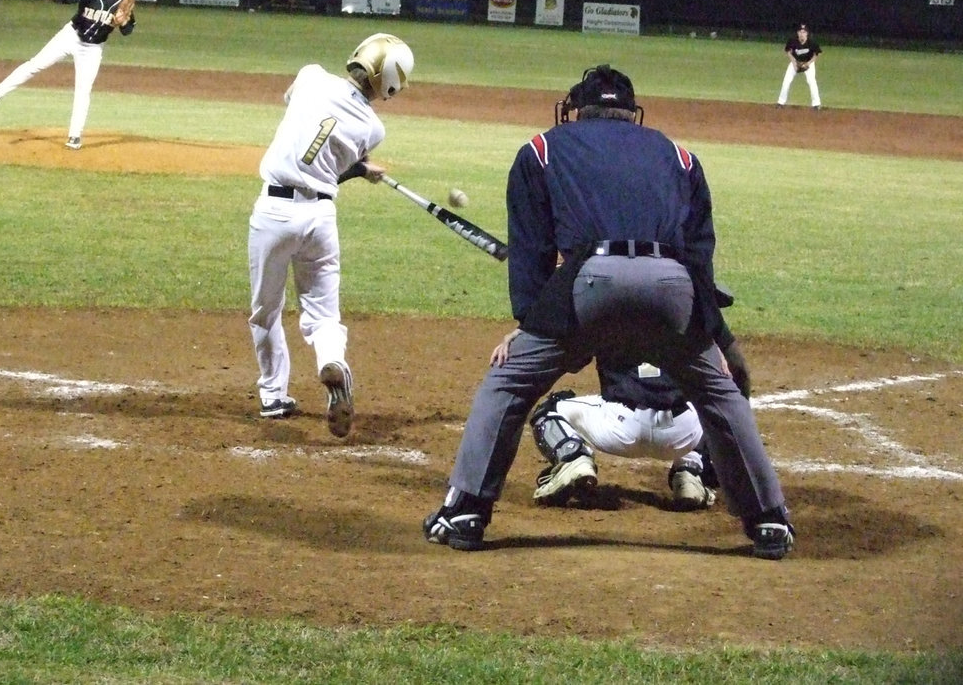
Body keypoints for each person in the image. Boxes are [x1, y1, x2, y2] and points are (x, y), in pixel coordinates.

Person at [423, 64, 794, 559]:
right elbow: (698, 260)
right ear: (631, 113)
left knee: (508, 384)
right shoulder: (680, 157)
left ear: (577, 110)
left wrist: (528, 326)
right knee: (720, 396)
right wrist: (721, 340)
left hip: (590, 283)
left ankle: (465, 511)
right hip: (672, 287)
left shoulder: (543, 148)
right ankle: (769, 520)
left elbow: (532, 255)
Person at [248, 34, 414, 438]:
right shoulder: (373, 129)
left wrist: (354, 165)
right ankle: (332, 361)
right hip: (320, 217)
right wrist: (359, 168)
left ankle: (273, 395)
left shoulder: (311, 76)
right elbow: (328, 166)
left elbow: (304, 132)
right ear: (389, 84)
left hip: (273, 212)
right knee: (323, 314)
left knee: (266, 310)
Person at [510, 288, 748, 512]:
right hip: (681, 434)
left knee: (550, 410)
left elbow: (572, 362)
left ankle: (573, 458)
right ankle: (690, 471)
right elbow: (739, 370)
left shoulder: (601, 310)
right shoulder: (686, 313)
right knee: (709, 405)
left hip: (619, 428)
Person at [0, 0, 136, 150]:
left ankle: (74, 136)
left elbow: (128, 31)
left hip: (93, 49)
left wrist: (122, 23)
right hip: (70, 36)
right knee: (36, 64)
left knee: (83, 90)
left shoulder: (122, 2)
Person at [776, 23, 823, 109]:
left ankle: (816, 104)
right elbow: (788, 51)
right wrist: (794, 62)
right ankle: (780, 102)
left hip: (808, 63)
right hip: (795, 62)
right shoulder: (792, 41)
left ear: (807, 33)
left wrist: (808, 63)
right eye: (800, 32)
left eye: (804, 32)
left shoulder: (812, 42)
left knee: (811, 81)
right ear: (797, 33)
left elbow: (817, 54)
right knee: (786, 81)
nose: (802, 34)